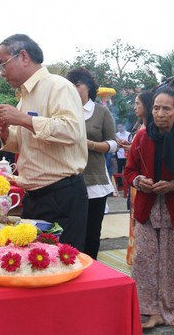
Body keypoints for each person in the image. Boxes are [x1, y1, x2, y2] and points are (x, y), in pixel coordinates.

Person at [0, 34, 88, 250]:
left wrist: (24, 119)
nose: (2, 72)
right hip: (35, 195)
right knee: (37, 263)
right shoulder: (25, 96)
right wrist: (6, 133)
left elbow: (72, 130)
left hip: (61, 195)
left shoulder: (58, 86)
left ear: (23, 56)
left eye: (3, 63)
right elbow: (23, 142)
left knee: (61, 265)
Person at [123, 87, 174, 329]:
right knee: (145, 261)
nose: (159, 113)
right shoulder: (141, 138)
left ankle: (165, 310)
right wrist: (140, 181)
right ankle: (147, 309)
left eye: (166, 109)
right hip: (147, 212)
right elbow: (129, 171)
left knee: (172, 264)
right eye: (156, 108)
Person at [65, 67, 117, 259]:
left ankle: (90, 274)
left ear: (88, 87)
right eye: (70, 86)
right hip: (68, 179)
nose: (73, 89)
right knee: (71, 233)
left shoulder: (101, 112)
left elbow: (113, 144)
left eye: (77, 85)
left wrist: (91, 144)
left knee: (92, 234)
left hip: (95, 181)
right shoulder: (64, 111)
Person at [125, 90, 155, 265]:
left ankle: (139, 256)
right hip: (135, 178)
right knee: (134, 216)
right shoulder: (140, 128)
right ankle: (135, 256)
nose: (135, 107)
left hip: (143, 180)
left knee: (140, 218)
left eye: (138, 103)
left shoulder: (148, 130)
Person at [115, 122, 131, 187]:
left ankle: (127, 184)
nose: (119, 128)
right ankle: (120, 184)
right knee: (119, 170)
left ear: (123, 127)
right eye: (118, 127)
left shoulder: (128, 134)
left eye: (120, 127)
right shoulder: (116, 135)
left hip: (127, 155)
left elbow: (130, 143)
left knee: (127, 170)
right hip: (119, 155)